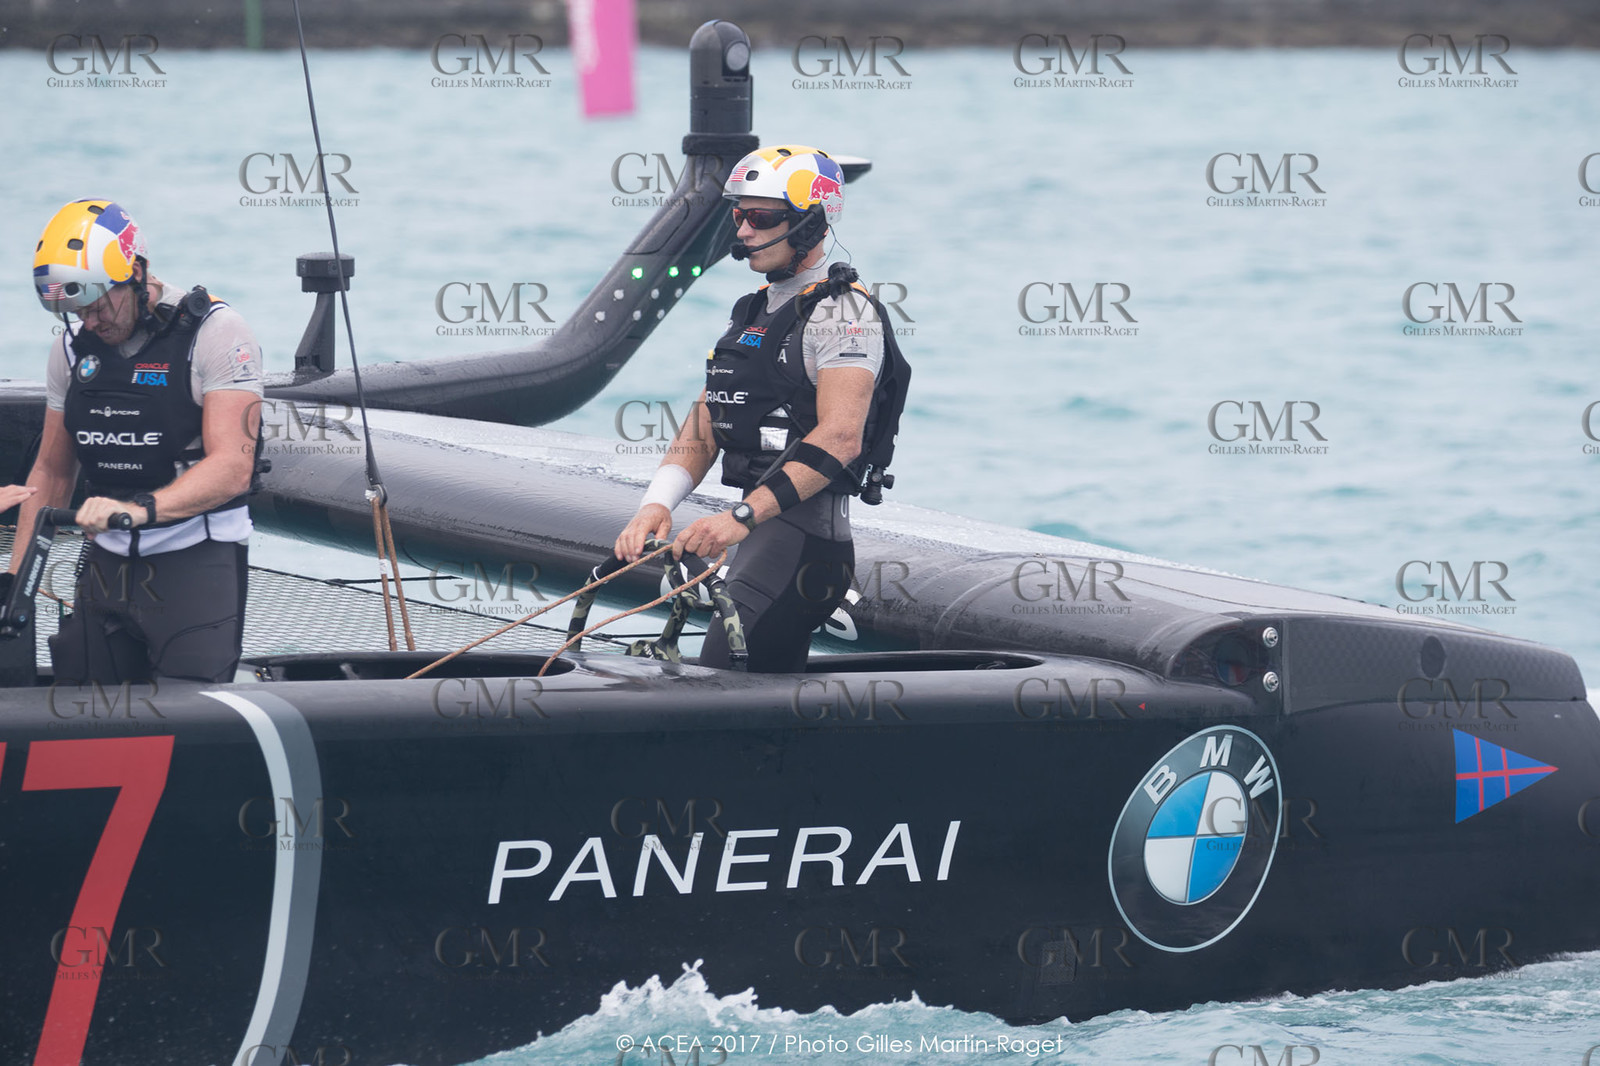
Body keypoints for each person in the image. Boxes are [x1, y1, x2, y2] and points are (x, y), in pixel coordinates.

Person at [614, 145, 897, 672]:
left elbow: (841, 438)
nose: (742, 231)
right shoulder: (754, 308)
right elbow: (711, 415)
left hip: (802, 548)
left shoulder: (845, 314)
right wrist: (658, 503)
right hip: (762, 540)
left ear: (812, 223)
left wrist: (739, 517)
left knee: (720, 695)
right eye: (738, 215)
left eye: (761, 217)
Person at [9, 198, 263, 683]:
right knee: (78, 717)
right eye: (76, 311)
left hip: (195, 564)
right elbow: (52, 471)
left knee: (183, 734)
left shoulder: (218, 332)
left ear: (137, 271)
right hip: (106, 566)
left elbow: (233, 466)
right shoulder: (71, 347)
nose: (91, 322)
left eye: (99, 304)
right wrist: (15, 582)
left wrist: (138, 510)